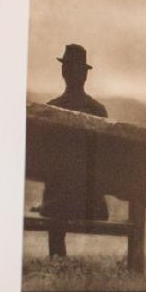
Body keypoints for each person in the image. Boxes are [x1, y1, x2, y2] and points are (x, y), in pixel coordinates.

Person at [39, 43, 109, 237]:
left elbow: (45, 161)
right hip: (93, 206)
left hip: (57, 205)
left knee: (57, 196)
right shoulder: (99, 111)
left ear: (63, 72)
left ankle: (56, 251)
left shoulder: (50, 110)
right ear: (85, 75)